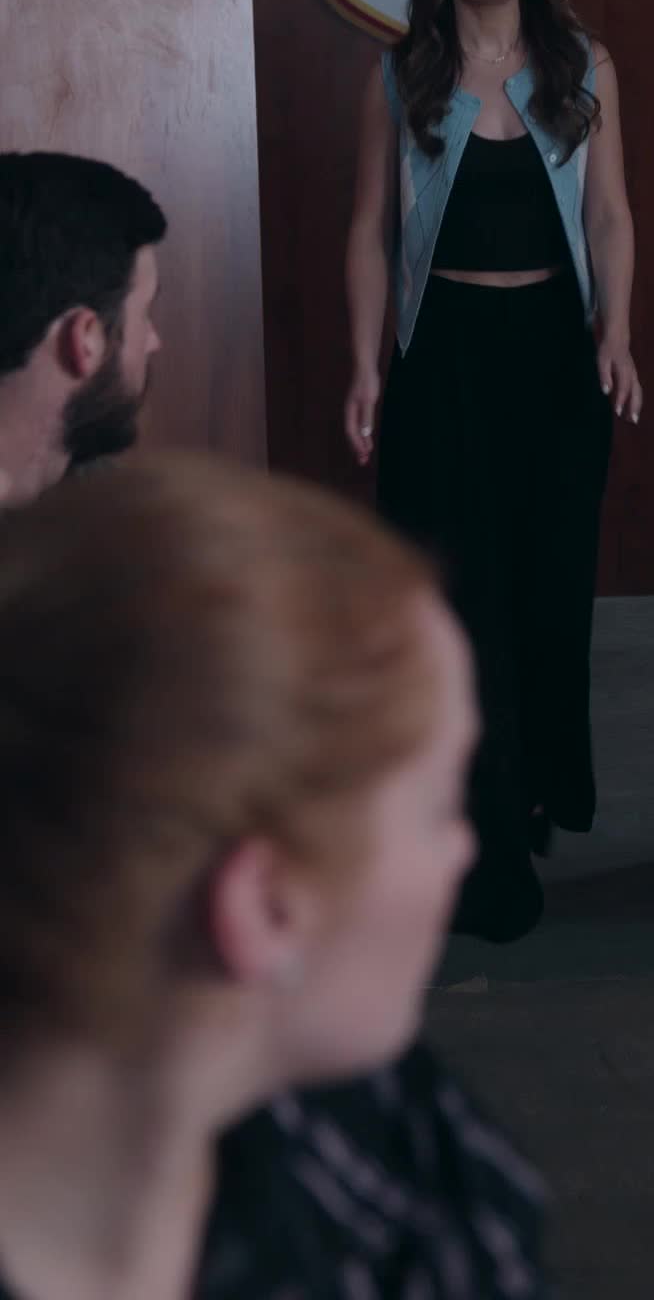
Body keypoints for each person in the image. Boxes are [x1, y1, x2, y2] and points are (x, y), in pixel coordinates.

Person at [0, 452, 549, 1299]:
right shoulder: (380, 1180)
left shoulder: (397, 1146)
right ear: (264, 907)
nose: (464, 851)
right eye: (440, 808)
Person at [344, 0, 643, 943]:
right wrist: (366, 365)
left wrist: (617, 331)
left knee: (548, 594)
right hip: (446, 359)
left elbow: (609, 215)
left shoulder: (581, 64)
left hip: (556, 359)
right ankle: (487, 855)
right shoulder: (400, 75)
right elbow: (369, 230)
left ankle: (532, 791)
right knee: (460, 607)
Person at [0, 150, 165, 505]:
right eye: (144, 313)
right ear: (85, 339)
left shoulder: (104, 504)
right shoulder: (128, 527)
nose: (154, 341)